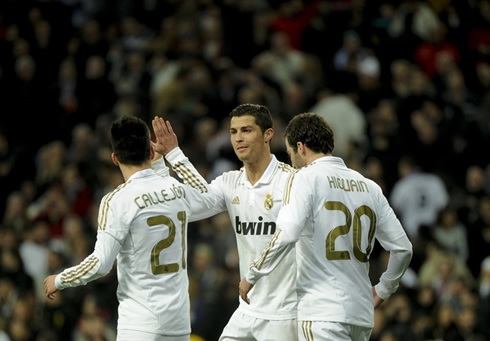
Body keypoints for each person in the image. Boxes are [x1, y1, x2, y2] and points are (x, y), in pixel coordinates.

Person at [239, 112, 413, 341]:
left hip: (322, 312)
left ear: (300, 147)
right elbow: (403, 248)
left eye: (291, 153)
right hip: (361, 315)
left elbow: (287, 234)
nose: (292, 161)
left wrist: (252, 275)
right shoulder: (369, 186)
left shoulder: (305, 178)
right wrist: (383, 289)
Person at [44, 115, 217, 341]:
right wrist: (174, 154)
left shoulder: (116, 201)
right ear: (151, 152)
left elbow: (101, 264)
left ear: (115, 158)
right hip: (178, 325)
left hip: (139, 325)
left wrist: (59, 279)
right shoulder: (175, 189)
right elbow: (210, 200)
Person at [152, 103, 298, 341]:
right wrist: (162, 164)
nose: (238, 138)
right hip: (248, 307)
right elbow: (191, 206)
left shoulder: (291, 181)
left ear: (268, 135)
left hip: (284, 311)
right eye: (233, 132)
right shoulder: (230, 182)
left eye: (247, 130)